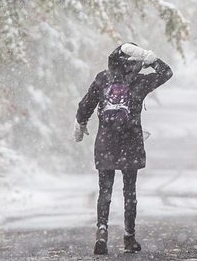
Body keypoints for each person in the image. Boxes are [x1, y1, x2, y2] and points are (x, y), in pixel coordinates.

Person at [74, 42, 173, 255]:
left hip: (106, 143)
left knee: (105, 190)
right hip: (131, 143)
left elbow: (86, 105)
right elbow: (167, 72)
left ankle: (102, 231)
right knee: (129, 192)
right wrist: (151, 58)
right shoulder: (140, 81)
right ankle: (129, 237)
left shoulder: (103, 79)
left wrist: (80, 124)